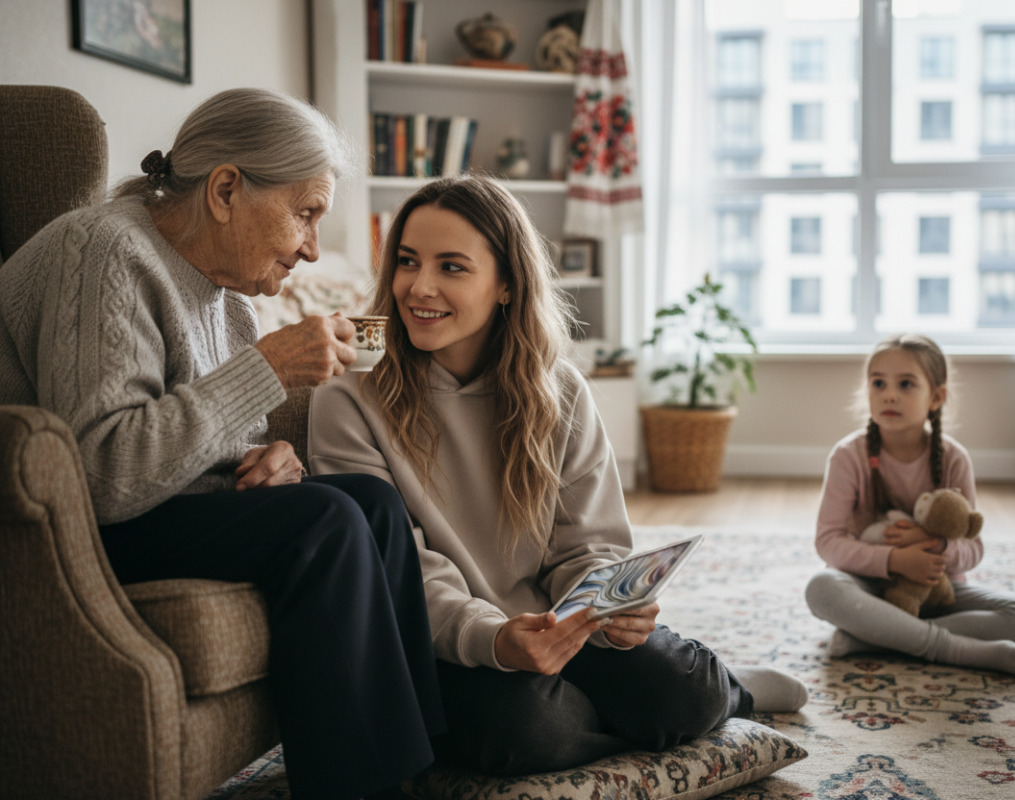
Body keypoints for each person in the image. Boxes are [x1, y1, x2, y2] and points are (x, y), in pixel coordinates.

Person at [0, 88, 443, 800]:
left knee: (372, 503)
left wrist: (271, 463)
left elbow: (211, 442)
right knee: (325, 522)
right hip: (59, 533)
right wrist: (266, 369)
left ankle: (423, 770)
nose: (311, 247)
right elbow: (103, 473)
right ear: (227, 189)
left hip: (151, 509)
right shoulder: (103, 250)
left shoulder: (225, 293)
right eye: (305, 214)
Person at [307, 174, 807, 776]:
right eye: (408, 262)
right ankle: (627, 717)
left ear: (507, 286)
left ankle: (726, 693)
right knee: (529, 732)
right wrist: (495, 637)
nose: (420, 287)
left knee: (687, 690)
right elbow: (405, 572)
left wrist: (609, 609)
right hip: (449, 644)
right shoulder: (347, 402)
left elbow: (588, 544)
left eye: (452, 267)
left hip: (558, 628)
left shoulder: (559, 391)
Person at [804, 333, 1015, 676]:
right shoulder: (849, 456)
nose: (889, 394)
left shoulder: (954, 459)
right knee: (821, 587)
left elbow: (973, 547)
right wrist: (896, 560)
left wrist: (935, 549)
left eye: (906, 384)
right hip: (869, 590)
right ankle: (952, 649)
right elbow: (828, 542)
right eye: (878, 383)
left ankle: (871, 640)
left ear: (936, 397)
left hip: (938, 593)